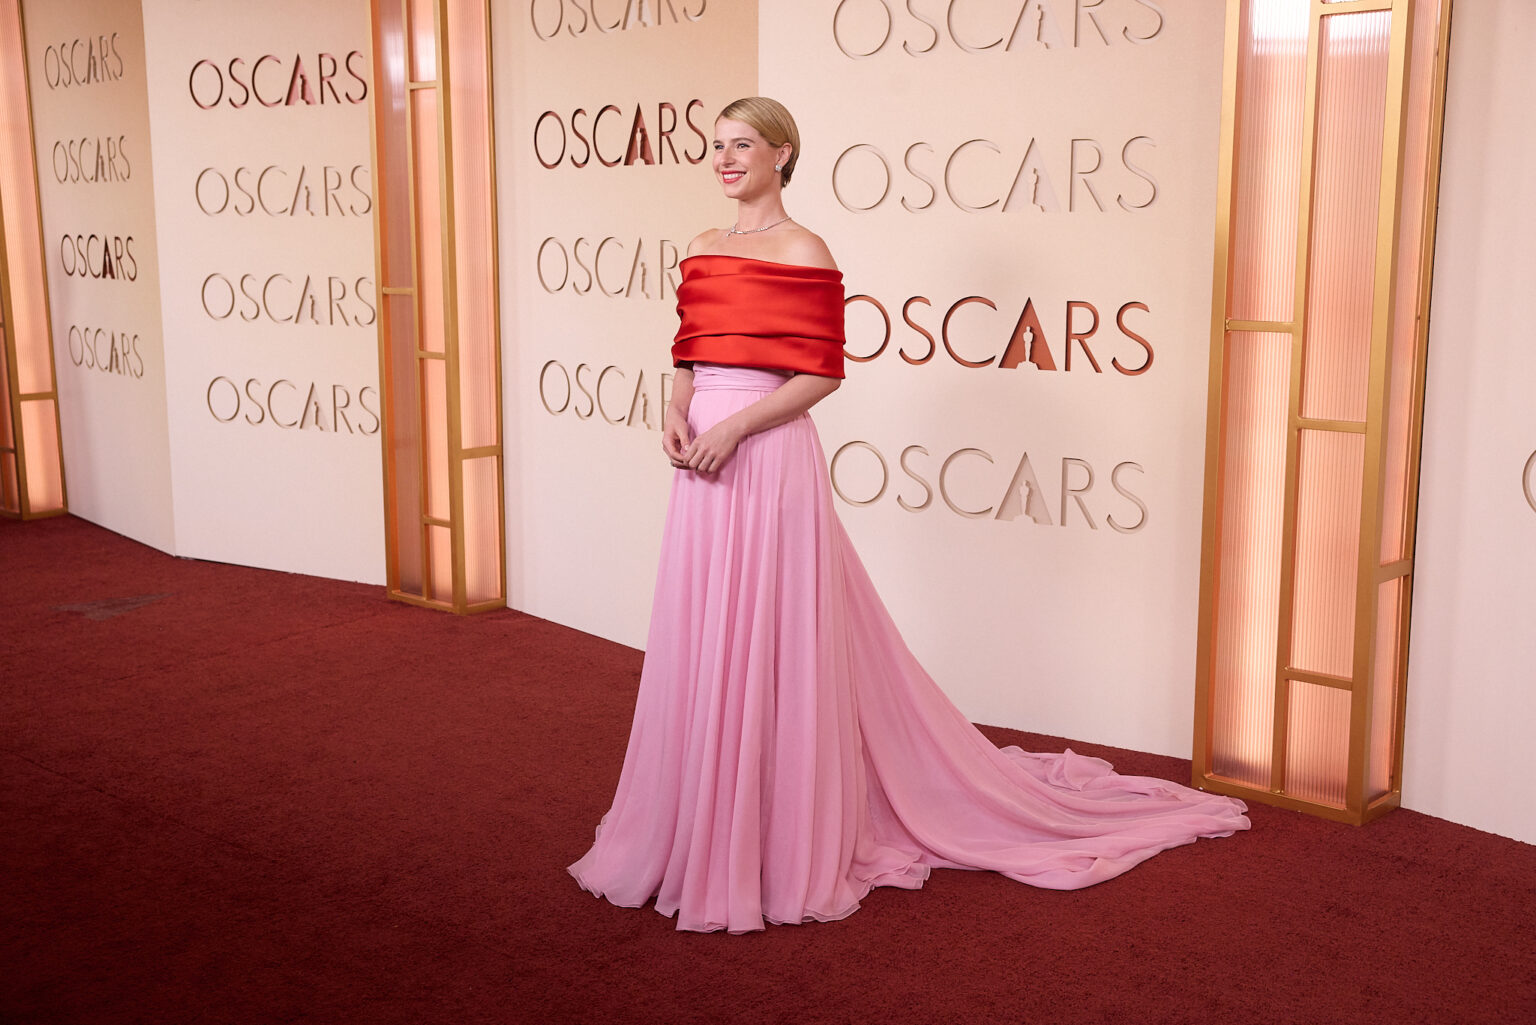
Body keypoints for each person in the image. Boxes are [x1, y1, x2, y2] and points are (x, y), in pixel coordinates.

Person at [568, 97, 1249, 934]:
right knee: (706, 631)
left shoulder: (804, 248)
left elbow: (822, 375)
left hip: (766, 452)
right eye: (717, 146)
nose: (724, 159)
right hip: (701, 455)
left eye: (741, 145)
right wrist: (677, 409)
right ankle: (698, 817)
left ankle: (770, 835)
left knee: (775, 634)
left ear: (783, 153)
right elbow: (690, 349)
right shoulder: (702, 246)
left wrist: (737, 426)